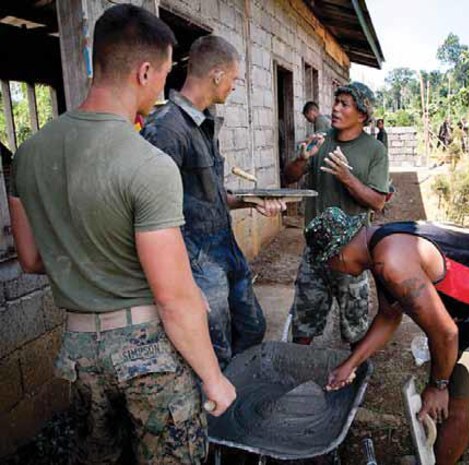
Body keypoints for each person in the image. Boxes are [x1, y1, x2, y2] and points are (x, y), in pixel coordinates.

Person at [9, 5, 235, 463]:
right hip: (147, 354)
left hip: (78, 353)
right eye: (165, 75)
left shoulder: (27, 156)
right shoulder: (148, 164)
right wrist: (213, 377)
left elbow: (32, 259)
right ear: (145, 71)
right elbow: (173, 298)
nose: (164, 88)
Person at [304, 207, 469, 465]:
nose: (335, 270)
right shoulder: (379, 246)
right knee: (446, 379)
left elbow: (445, 333)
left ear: (339, 254)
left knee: (457, 398)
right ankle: (442, 451)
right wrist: (350, 364)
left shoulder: (392, 263)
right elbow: (388, 317)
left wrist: (438, 386)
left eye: (329, 263)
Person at [141, 35, 285, 368]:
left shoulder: (203, 124)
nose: (234, 86)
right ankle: (219, 412)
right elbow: (152, 216)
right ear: (217, 74)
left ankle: (238, 394)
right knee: (214, 349)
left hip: (225, 249)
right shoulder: (165, 130)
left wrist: (253, 201)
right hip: (197, 262)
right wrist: (182, 282)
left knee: (252, 328)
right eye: (234, 78)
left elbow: (210, 195)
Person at [284, 82, 389, 347]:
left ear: (362, 115)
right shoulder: (322, 140)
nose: (335, 108)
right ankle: (296, 370)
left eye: (344, 104)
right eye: (336, 102)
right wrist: (301, 160)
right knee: (303, 323)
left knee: (355, 327)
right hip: (315, 251)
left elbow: (377, 202)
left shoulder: (375, 151)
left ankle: (355, 371)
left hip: (353, 254)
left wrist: (347, 178)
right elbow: (288, 177)